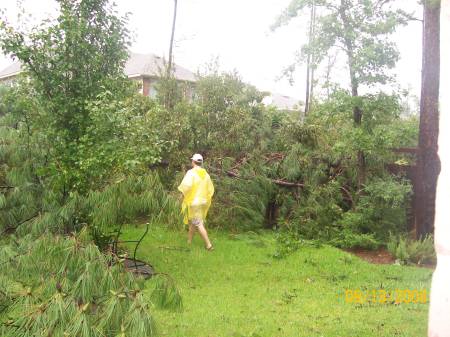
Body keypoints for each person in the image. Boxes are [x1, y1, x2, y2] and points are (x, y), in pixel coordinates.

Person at [178, 153, 215, 250]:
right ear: (201, 163)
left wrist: (181, 196)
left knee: (198, 223)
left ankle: (208, 245)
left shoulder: (191, 172)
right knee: (193, 222)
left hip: (194, 202)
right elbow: (210, 188)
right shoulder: (205, 174)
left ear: (193, 162)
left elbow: (186, 186)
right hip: (203, 202)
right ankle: (189, 241)